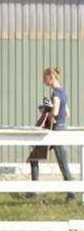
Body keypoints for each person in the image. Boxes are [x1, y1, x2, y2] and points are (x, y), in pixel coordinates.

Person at [29, 66, 75, 201]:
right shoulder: (63, 93)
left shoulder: (55, 94)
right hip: (61, 128)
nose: (44, 81)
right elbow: (67, 113)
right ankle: (36, 189)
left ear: (51, 77)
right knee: (36, 155)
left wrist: (45, 114)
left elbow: (54, 112)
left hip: (55, 130)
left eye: (45, 78)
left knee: (61, 162)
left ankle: (71, 193)